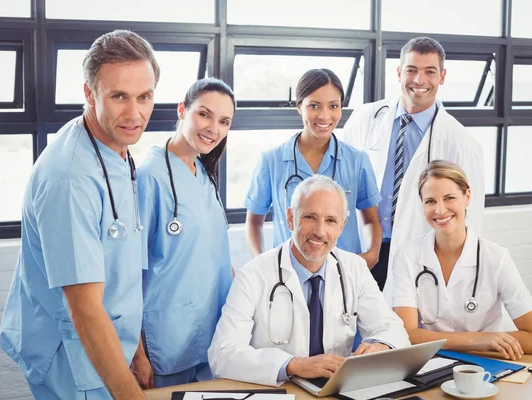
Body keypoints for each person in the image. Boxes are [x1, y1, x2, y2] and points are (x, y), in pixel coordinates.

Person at [0, 30, 159, 399]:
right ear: (89, 94)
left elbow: (119, 262)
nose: (135, 114)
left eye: (144, 97)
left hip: (108, 343)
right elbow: (84, 311)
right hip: (72, 359)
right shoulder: (71, 178)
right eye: (119, 96)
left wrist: (135, 350)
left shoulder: (115, 146)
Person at [209, 175, 410, 386]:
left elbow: (393, 329)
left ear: (341, 227)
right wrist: (293, 364)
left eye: (331, 220)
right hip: (279, 391)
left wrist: (381, 345)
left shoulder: (354, 268)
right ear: (290, 218)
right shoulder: (252, 275)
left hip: (335, 390)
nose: (320, 231)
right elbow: (222, 355)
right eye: (310, 217)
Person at [342, 37, 485, 301]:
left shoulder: (461, 143)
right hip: (361, 249)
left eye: (430, 71)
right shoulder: (366, 118)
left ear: (442, 76)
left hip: (419, 254)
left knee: (404, 333)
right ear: (399, 73)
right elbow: (337, 181)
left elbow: (471, 217)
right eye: (411, 70)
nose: (419, 80)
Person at [131, 78, 235, 389]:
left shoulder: (202, 172)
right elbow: (127, 274)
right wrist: (137, 355)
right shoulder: (149, 177)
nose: (213, 128)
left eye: (224, 121)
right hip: (166, 342)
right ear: (182, 110)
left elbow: (215, 255)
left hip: (210, 337)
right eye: (204, 114)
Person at [392, 160, 532, 359]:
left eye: (449, 198)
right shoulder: (407, 255)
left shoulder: (496, 258)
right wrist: (480, 340)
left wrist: (481, 343)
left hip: (483, 366)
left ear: (467, 197)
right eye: (430, 201)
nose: (440, 210)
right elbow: (407, 333)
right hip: (428, 363)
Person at [245, 68, 382, 268]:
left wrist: (372, 254)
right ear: (299, 107)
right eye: (314, 106)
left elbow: (371, 220)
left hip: (343, 273)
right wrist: (262, 263)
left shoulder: (358, 161)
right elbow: (254, 222)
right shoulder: (271, 161)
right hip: (288, 274)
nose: (324, 116)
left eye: (333, 106)